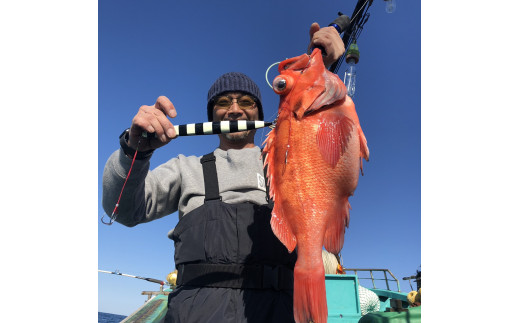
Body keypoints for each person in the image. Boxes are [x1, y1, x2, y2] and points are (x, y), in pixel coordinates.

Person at [102, 23, 345, 323]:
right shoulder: (185, 168)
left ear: (260, 113)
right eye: (222, 103)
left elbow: (322, 140)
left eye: (246, 102)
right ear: (211, 114)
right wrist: (133, 152)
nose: (234, 110)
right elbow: (123, 210)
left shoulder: (287, 160)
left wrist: (323, 71)